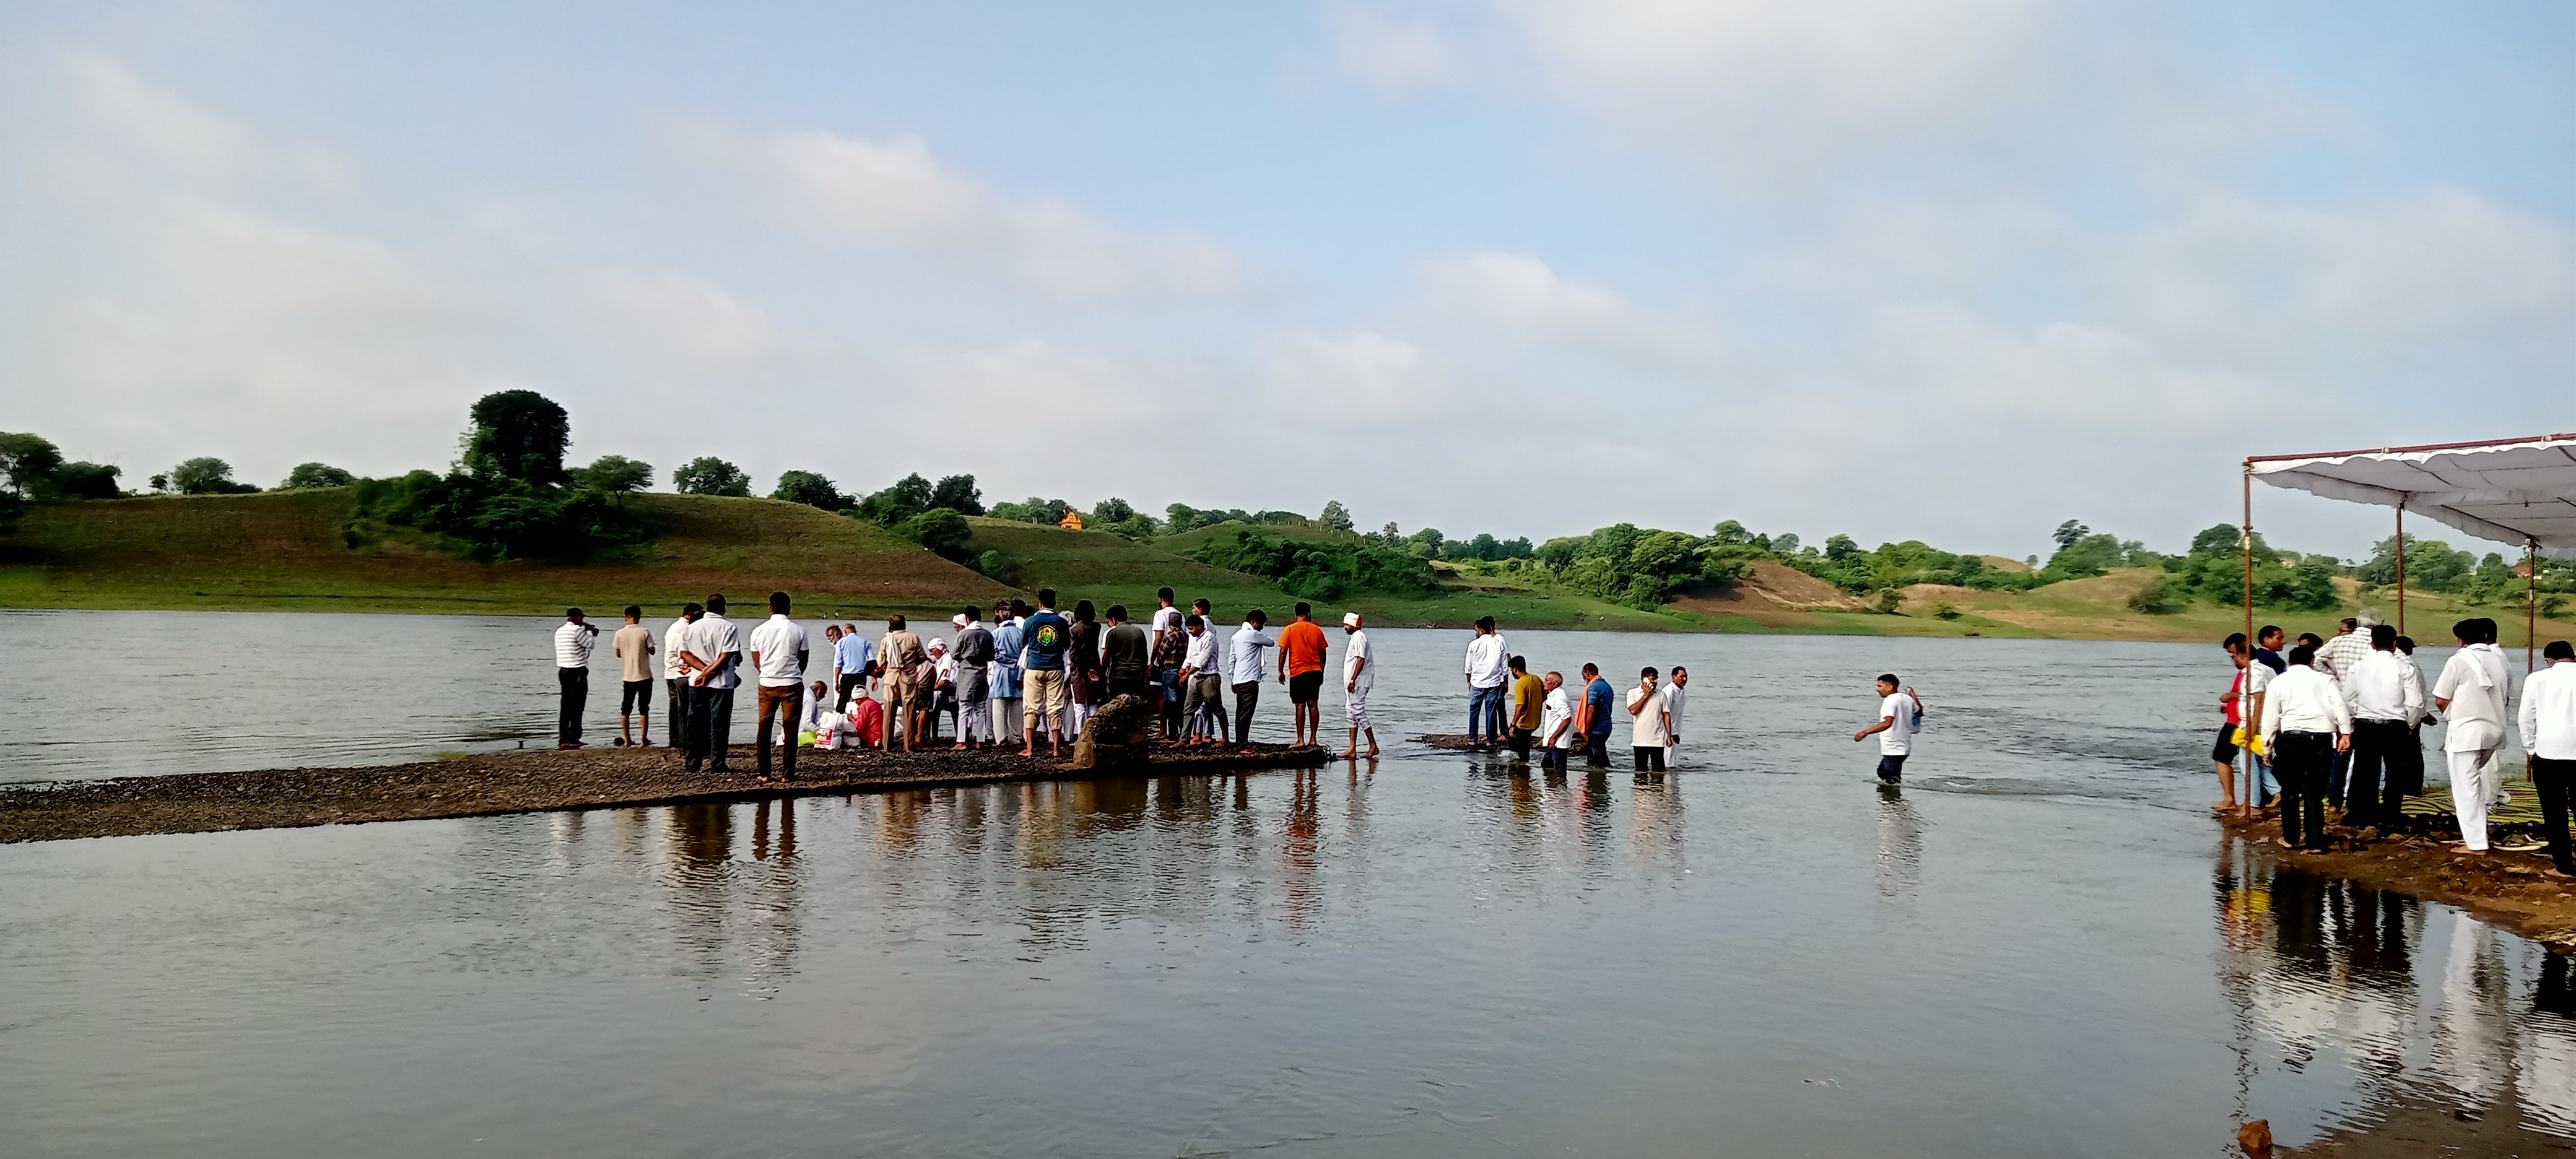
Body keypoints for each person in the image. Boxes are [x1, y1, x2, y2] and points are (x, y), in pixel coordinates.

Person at [2434, 617, 2514, 856]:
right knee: (2476, 785)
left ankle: (2476, 844)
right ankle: (2478, 837)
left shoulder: (2458, 660)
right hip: (2494, 730)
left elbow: (2441, 697)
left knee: (2466, 788)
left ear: (2461, 640)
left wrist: (2450, 714)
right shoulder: (2499, 659)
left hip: (2467, 732)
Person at [2261, 645, 2352, 851]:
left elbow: (2270, 716)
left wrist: (2266, 746)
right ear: (2312, 662)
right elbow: (2339, 705)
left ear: (2290, 661)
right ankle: (2315, 841)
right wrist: (2345, 733)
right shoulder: (2325, 680)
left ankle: (2291, 838)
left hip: (2290, 738)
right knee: (2315, 792)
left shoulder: (2279, 682)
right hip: (2321, 739)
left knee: (2290, 790)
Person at [2341, 624, 2421, 830]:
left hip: (2366, 724)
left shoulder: (2358, 668)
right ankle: (2391, 813)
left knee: (2366, 770)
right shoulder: (2405, 668)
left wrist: (2352, 723)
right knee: (2396, 771)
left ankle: (2367, 813)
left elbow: (2348, 700)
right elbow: (2415, 704)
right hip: (2396, 724)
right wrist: (2409, 725)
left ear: (2372, 644)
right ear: (2395, 644)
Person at [2518, 639, 2576, 880]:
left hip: (2549, 753)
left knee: (2554, 813)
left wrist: (2530, 747)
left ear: (2549, 660)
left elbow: (2525, 717)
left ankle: (2564, 867)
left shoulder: (2537, 679)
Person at [746, 592, 810, 783]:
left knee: (764, 728)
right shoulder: (799, 630)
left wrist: (768, 672)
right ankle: (787, 774)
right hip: (792, 684)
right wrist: (793, 673)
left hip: (767, 683)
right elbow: (803, 660)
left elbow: (757, 662)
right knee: (791, 729)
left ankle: (764, 773)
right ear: (789, 608)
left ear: (770, 607)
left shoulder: (758, 630)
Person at [681, 593, 742, 773]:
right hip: (722, 683)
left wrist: (703, 672)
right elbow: (726, 655)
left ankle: (692, 762)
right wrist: (708, 672)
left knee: (695, 722)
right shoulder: (729, 627)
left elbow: (685, 654)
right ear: (724, 608)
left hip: (696, 681)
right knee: (720, 723)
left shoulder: (693, 627)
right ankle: (717, 763)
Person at [1020, 591, 1072, 757]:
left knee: (1031, 708)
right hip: (1055, 667)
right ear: (1054, 603)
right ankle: (1056, 748)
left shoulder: (1031, 621)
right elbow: (1066, 644)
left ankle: (1030, 748)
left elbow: (1023, 643)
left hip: (1035, 667)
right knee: (1055, 707)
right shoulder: (1061, 622)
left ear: (1040, 603)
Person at [1277, 602, 1331, 747]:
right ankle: (1313, 739)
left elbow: (1283, 652)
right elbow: (1323, 652)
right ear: (1308, 613)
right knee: (1313, 704)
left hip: (1298, 672)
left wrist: (1280, 671)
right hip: (1315, 671)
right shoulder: (1317, 630)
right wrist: (1322, 669)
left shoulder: (1289, 629)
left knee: (1300, 705)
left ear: (1296, 614)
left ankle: (1300, 740)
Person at [2215, 633, 2257, 816]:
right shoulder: (2246, 671)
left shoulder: (2252, 671)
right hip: (2235, 717)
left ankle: (2230, 798)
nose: (2232, 657)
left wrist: (2232, 697)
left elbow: (2252, 695)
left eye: (2233, 653)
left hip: (2237, 723)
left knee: (2222, 757)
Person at [1852, 674, 1919, 784]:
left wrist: (1865, 732)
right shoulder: (1907, 699)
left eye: (1880, 686)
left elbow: (1887, 723)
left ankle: (1894, 801)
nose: (1878, 690)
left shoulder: (1890, 700)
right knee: (1882, 772)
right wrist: (1914, 697)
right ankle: (1890, 798)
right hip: (1902, 746)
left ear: (1890, 687)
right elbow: (1919, 712)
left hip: (1894, 747)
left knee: (1891, 778)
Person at [877, 614, 927, 753]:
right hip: (908, 678)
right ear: (905, 625)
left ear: (890, 627)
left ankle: (887, 746)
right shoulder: (913, 637)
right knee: (909, 711)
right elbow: (923, 656)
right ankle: (909, 746)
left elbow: (881, 662)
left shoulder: (887, 639)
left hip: (891, 678)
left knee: (889, 711)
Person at [1228, 609, 1276, 746]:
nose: (1262, 627)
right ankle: (1242, 744)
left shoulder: (1236, 636)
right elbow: (1271, 642)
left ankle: (1239, 741)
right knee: (1247, 712)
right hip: (1250, 679)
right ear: (1254, 622)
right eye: (1261, 624)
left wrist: (1232, 679)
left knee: (1240, 711)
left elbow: (1232, 659)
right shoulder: (1253, 634)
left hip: (1238, 679)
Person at [1462, 617, 1511, 748]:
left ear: (1482, 630)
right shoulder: (1498, 644)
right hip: (1494, 683)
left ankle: (1473, 739)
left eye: (1476, 630)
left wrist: (1469, 682)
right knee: (1491, 711)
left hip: (1477, 682)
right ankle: (1490, 740)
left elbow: (1468, 667)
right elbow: (1504, 667)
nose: (1475, 632)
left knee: (1474, 711)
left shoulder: (1474, 644)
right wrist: (1505, 682)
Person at [552, 607, 598, 749]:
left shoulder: (559, 631)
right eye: (582, 619)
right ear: (578, 618)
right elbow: (590, 645)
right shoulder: (577, 631)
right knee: (578, 705)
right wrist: (589, 632)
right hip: (577, 670)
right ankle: (574, 737)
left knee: (565, 705)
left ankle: (563, 738)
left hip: (563, 670)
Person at [953, 608, 996, 749]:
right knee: (981, 708)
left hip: (967, 674)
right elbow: (991, 656)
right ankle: (980, 740)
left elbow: (954, 654)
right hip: (982, 675)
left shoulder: (964, 634)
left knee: (964, 708)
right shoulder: (987, 635)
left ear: (967, 618)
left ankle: (962, 741)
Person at [612, 605, 655, 747]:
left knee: (626, 708)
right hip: (644, 675)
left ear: (626, 617)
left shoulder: (619, 633)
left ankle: (627, 739)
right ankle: (644, 739)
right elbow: (652, 650)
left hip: (628, 676)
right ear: (639, 616)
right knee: (644, 708)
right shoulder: (644, 632)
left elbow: (618, 654)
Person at [661, 604, 700, 756]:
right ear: (690, 614)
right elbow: (677, 653)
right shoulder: (684, 629)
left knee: (676, 708)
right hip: (679, 672)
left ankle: (676, 738)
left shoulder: (674, 627)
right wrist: (684, 664)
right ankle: (680, 739)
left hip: (672, 672)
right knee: (682, 709)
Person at [1180, 614, 1224, 743]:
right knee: (1188, 709)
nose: (1190, 631)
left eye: (1192, 629)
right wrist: (1183, 668)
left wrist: (1186, 675)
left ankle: (1225, 737)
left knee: (1217, 709)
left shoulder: (1210, 638)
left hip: (1209, 677)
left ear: (1200, 626)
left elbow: (1201, 662)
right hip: (1196, 678)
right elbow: (1190, 656)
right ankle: (1184, 739)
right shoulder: (1193, 638)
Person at [1339, 612, 1378, 758]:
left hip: (1359, 682)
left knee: (1359, 712)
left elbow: (1360, 660)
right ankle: (1352, 748)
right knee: (1350, 711)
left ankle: (1373, 745)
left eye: (1347, 625)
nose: (1345, 627)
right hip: (1353, 682)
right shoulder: (1356, 637)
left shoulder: (1360, 637)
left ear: (1354, 625)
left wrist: (1353, 680)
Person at [990, 600, 1025, 747]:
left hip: (1001, 672)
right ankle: (1016, 736)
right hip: (1018, 670)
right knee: (1017, 705)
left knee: (999, 705)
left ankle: (1001, 738)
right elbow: (1025, 652)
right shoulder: (1020, 632)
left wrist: (1007, 661)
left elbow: (993, 654)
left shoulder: (996, 633)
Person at [1066, 600, 1103, 738]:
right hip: (1095, 666)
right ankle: (1093, 733)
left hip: (1080, 671)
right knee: (1093, 702)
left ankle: (1082, 735)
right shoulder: (1097, 627)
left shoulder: (1075, 631)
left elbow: (1074, 654)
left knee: (1079, 704)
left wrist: (1086, 669)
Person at [1152, 607, 1190, 739]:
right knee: (1181, 703)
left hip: (1170, 671)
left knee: (1170, 703)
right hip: (1183, 673)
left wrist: (1156, 664)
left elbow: (1161, 654)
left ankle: (1171, 735)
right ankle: (1183, 733)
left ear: (1169, 623)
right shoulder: (1186, 636)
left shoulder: (1169, 637)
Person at [1102, 605, 1151, 703]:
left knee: (1117, 705)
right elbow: (1145, 656)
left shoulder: (1113, 633)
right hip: (1136, 675)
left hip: (1119, 675)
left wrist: (1103, 671)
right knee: (1133, 704)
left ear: (1114, 619)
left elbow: (1106, 656)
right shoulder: (1139, 632)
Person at [1628, 666, 1672, 772]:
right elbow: (1633, 711)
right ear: (1645, 679)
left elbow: (1666, 715)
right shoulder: (1633, 693)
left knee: (1659, 771)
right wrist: (1645, 696)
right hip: (1640, 740)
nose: (1656, 682)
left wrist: (1669, 736)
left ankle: (1657, 788)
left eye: (1656, 679)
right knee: (1640, 771)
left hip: (1657, 739)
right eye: (1653, 679)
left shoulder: (1661, 695)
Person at [1573, 663, 1615, 767]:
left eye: (1584, 676)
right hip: (1606, 726)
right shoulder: (1606, 686)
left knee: (1601, 760)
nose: (1585, 680)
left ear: (1587, 673)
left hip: (1597, 728)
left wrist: (1586, 729)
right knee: (1592, 759)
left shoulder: (1594, 688)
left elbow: (1592, 710)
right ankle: (1592, 781)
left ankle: (1605, 779)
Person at [831, 620, 874, 711]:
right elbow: (871, 661)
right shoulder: (865, 642)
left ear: (846, 631)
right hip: (861, 676)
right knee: (860, 699)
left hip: (847, 676)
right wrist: (874, 679)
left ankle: (841, 718)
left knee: (843, 700)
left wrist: (836, 681)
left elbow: (838, 663)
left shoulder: (841, 643)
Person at [1507, 656, 1543, 760]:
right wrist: (1537, 702)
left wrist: (1513, 724)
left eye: (1511, 670)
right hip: (1536, 720)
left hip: (1524, 723)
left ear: (1515, 669)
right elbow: (1545, 691)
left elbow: (1520, 706)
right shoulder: (1535, 678)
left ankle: (1522, 769)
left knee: (1521, 749)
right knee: (1523, 744)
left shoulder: (1520, 684)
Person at [1538, 671, 1573, 770]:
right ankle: (1550, 785)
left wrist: (1554, 737)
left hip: (1558, 742)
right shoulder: (1553, 695)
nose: (1544, 682)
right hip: (1552, 741)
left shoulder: (1559, 697)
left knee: (1558, 770)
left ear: (1555, 684)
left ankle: (1559, 785)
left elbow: (1567, 719)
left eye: (1547, 680)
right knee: (1546, 767)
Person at [1664, 666, 1689, 766]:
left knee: (1673, 758)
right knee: (1667, 758)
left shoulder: (1681, 691)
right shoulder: (1669, 691)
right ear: (1673, 677)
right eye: (1681, 677)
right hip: (1668, 731)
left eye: (1686, 677)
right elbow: (1664, 712)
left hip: (1676, 729)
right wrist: (1672, 732)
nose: (1685, 679)